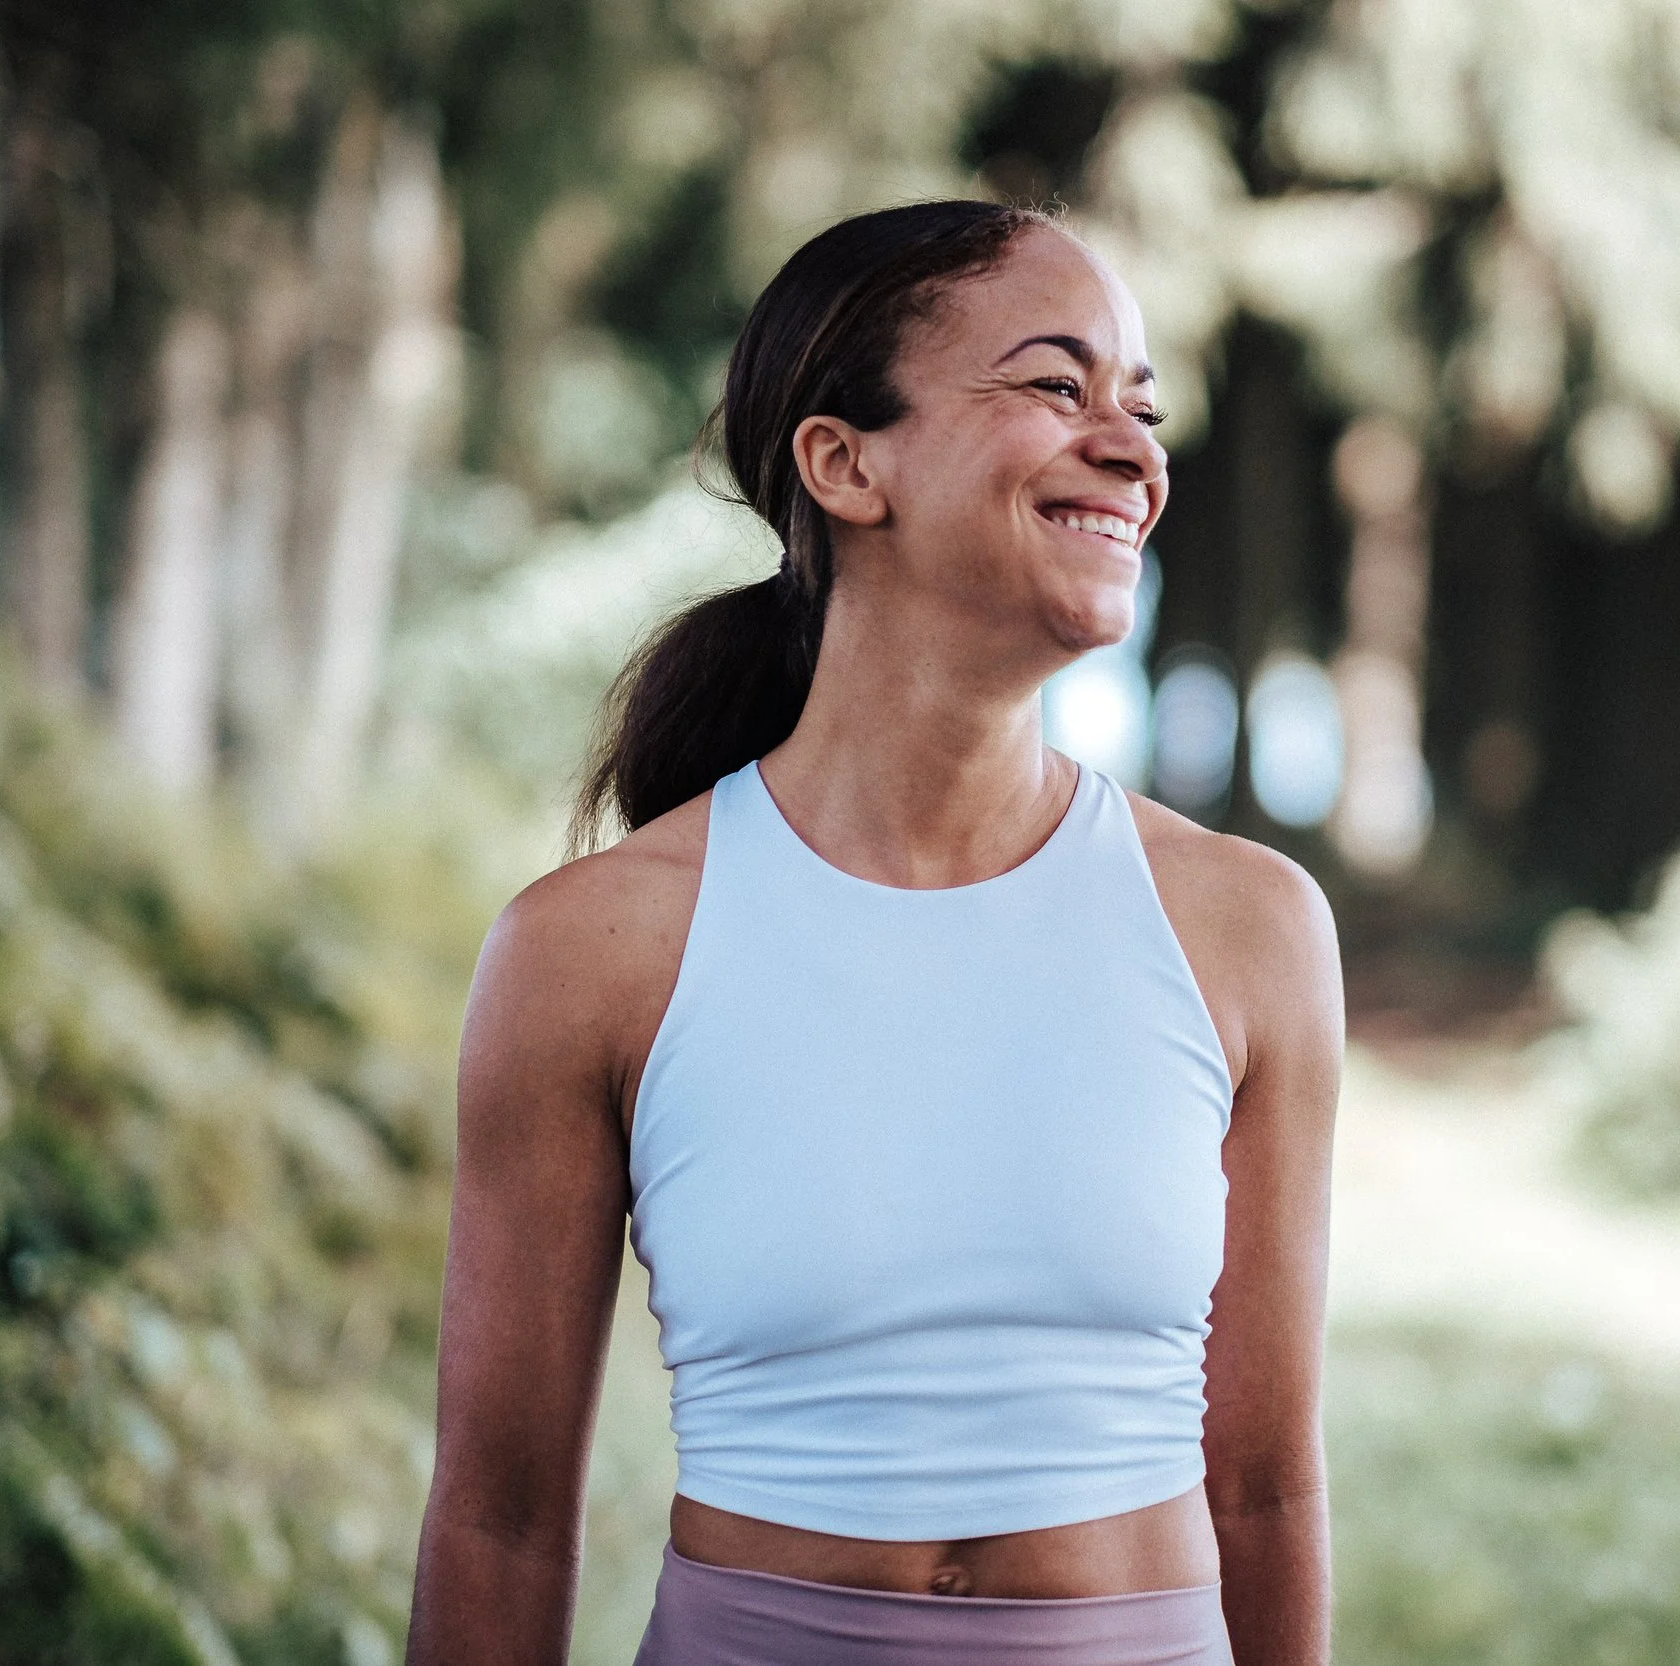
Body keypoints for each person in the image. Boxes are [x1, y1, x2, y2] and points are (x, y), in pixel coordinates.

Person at [404, 199, 1342, 1666]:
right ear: (846, 463)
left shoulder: (1250, 927)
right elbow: (501, 1519)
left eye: (1139, 407)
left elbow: (1269, 1490)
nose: (1132, 450)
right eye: (1055, 384)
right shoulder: (590, 951)